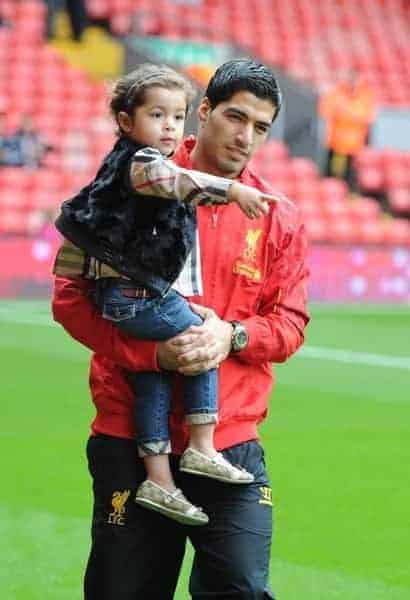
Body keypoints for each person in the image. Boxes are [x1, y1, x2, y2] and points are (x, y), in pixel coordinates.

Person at [52, 58, 309, 599]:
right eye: (235, 117)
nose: (245, 137)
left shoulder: (277, 217)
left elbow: (289, 325)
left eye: (260, 128)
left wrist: (231, 336)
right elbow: (70, 296)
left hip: (229, 439)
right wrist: (152, 356)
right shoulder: (131, 179)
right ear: (205, 111)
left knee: (240, 588)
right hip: (129, 437)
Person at [319, 71, 376, 190]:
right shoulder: (336, 94)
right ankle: (328, 187)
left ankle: (347, 190)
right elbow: (326, 111)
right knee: (331, 167)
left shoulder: (365, 96)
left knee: (350, 170)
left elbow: (367, 116)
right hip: (336, 140)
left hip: (354, 142)